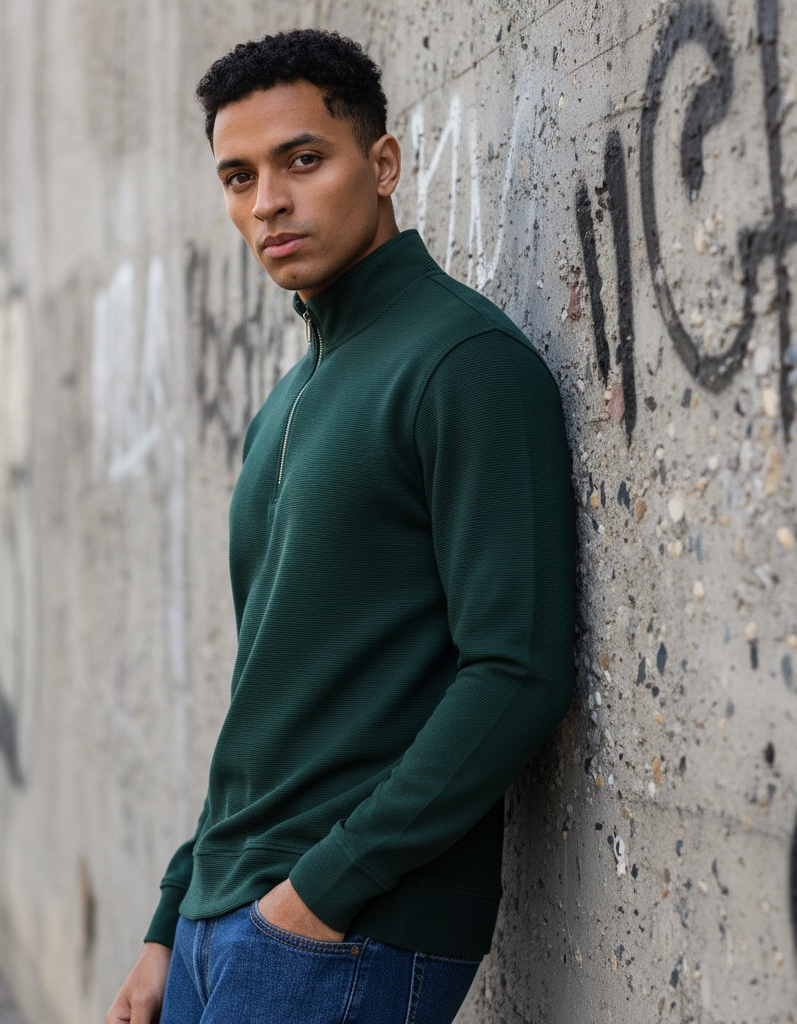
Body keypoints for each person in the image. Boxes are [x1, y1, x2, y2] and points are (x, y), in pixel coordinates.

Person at [108, 28, 575, 1024]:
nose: (267, 202)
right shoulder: (288, 400)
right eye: (238, 176)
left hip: (345, 927)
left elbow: (516, 670)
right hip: (221, 922)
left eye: (302, 160)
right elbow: (270, 690)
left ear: (383, 163)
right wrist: (171, 917)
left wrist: (321, 892)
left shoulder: (462, 364)